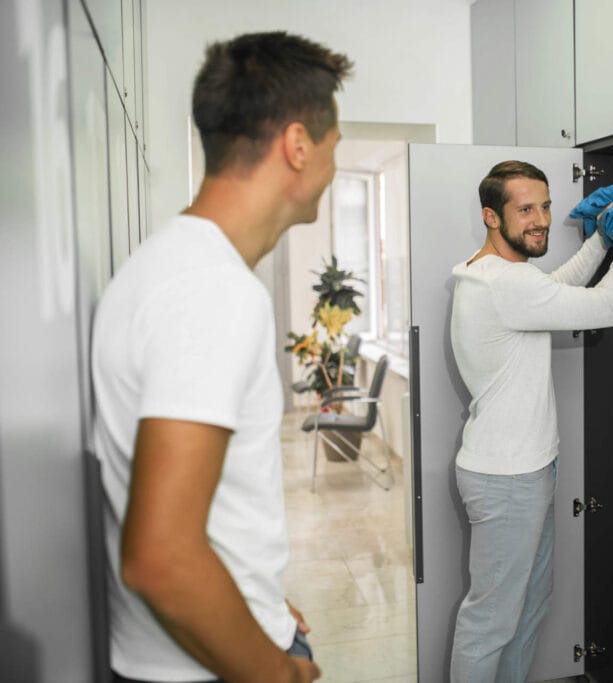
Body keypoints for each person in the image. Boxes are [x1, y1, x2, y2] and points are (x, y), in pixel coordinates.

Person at [91, 32, 352, 683]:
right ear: (298, 145)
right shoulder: (212, 291)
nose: (334, 165)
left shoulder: (167, 268)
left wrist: (253, 603)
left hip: (183, 652)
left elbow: (196, 512)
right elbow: (160, 556)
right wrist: (277, 670)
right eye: (334, 146)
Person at [448, 161, 613, 682]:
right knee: (489, 623)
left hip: (526, 471)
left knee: (527, 610)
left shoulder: (500, 276)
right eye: (526, 210)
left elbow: (555, 288)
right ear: (491, 217)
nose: (541, 219)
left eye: (544, 205)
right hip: (507, 480)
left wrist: (601, 242)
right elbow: (607, 307)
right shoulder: (503, 285)